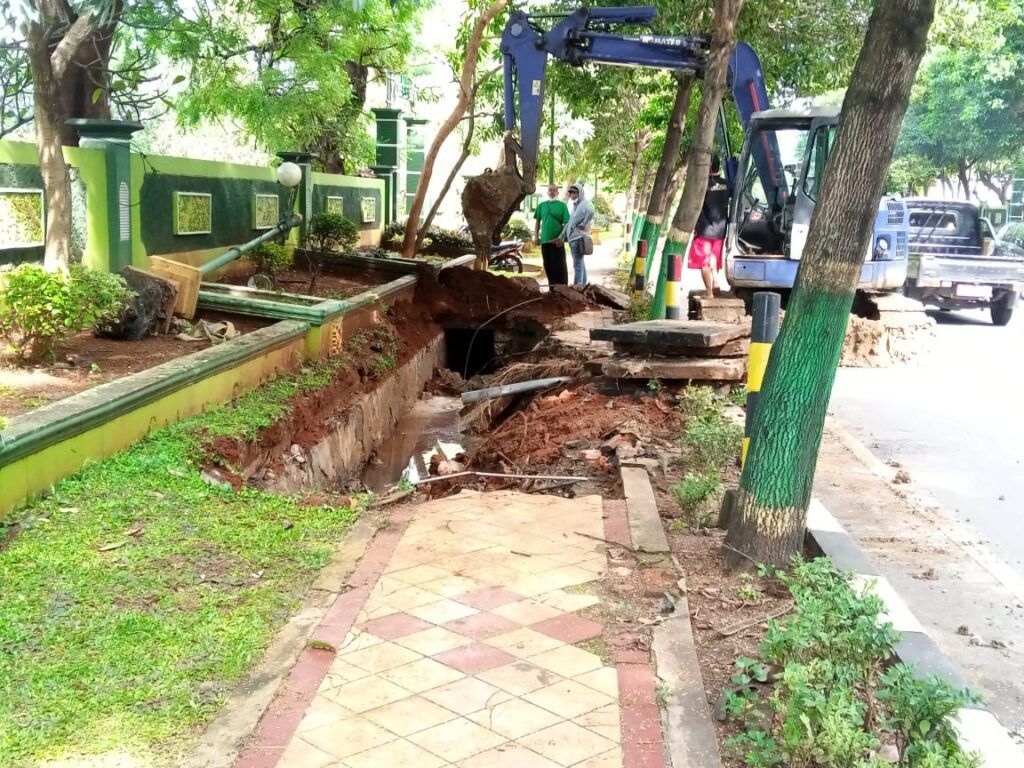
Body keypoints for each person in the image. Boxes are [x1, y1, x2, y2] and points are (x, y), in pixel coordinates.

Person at [689, 155, 730, 298]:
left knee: (704, 262)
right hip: (720, 230)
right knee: (713, 258)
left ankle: (709, 292)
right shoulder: (726, 184)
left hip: (705, 229)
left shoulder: (703, 184)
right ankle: (716, 282)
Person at [533, 184, 571, 286]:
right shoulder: (541, 206)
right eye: (550, 190)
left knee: (560, 265)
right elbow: (537, 223)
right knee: (548, 265)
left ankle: (563, 287)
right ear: (547, 192)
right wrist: (536, 236)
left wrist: (562, 238)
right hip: (545, 240)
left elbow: (567, 223)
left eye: (554, 190)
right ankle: (552, 288)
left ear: (558, 192)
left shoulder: (562, 206)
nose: (552, 192)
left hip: (558, 241)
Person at [559, 182, 595, 285]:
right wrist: (562, 236)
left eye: (574, 192)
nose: (572, 194)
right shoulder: (576, 206)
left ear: (580, 193)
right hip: (573, 238)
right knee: (580, 263)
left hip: (578, 238)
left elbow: (591, 212)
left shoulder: (584, 204)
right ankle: (582, 284)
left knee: (577, 265)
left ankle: (577, 286)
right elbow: (570, 222)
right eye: (571, 192)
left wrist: (584, 223)